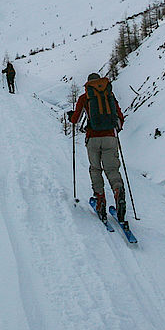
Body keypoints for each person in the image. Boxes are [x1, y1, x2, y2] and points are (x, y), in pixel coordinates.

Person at [68, 73, 126, 223]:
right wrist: (115, 131)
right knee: (112, 169)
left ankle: (100, 200)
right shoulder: (109, 95)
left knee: (95, 168)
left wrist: (70, 116)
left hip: (93, 138)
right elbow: (120, 117)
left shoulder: (85, 97)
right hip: (110, 138)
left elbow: (76, 119)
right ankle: (118, 190)